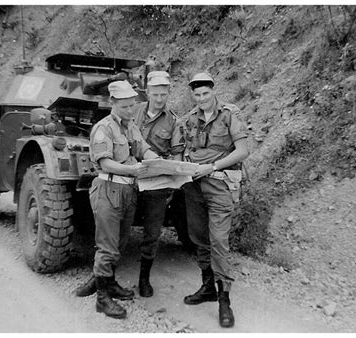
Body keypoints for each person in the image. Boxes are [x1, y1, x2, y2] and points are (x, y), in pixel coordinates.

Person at [180, 72, 249, 328]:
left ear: (213, 90)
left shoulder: (230, 115)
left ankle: (224, 299)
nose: (202, 99)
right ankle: (207, 285)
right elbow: (185, 149)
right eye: (197, 95)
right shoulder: (189, 119)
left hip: (220, 184)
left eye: (205, 94)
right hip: (194, 186)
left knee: (219, 240)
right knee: (198, 237)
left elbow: (243, 151)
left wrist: (211, 167)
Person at [87, 80, 159, 319]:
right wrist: (133, 170)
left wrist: (155, 160)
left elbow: (142, 148)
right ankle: (102, 299)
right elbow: (104, 162)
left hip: (128, 192)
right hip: (109, 189)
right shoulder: (103, 128)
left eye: (132, 105)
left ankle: (111, 284)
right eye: (126, 106)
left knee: (120, 243)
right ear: (112, 103)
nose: (130, 110)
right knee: (107, 247)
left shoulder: (130, 127)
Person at [131, 70, 184, 297]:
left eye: (164, 94)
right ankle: (103, 277)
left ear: (168, 93)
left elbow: (178, 157)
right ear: (147, 92)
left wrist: (170, 184)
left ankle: (144, 279)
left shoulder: (174, 122)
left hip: (156, 183)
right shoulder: (133, 112)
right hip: (129, 176)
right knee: (117, 227)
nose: (160, 99)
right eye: (155, 94)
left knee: (152, 232)